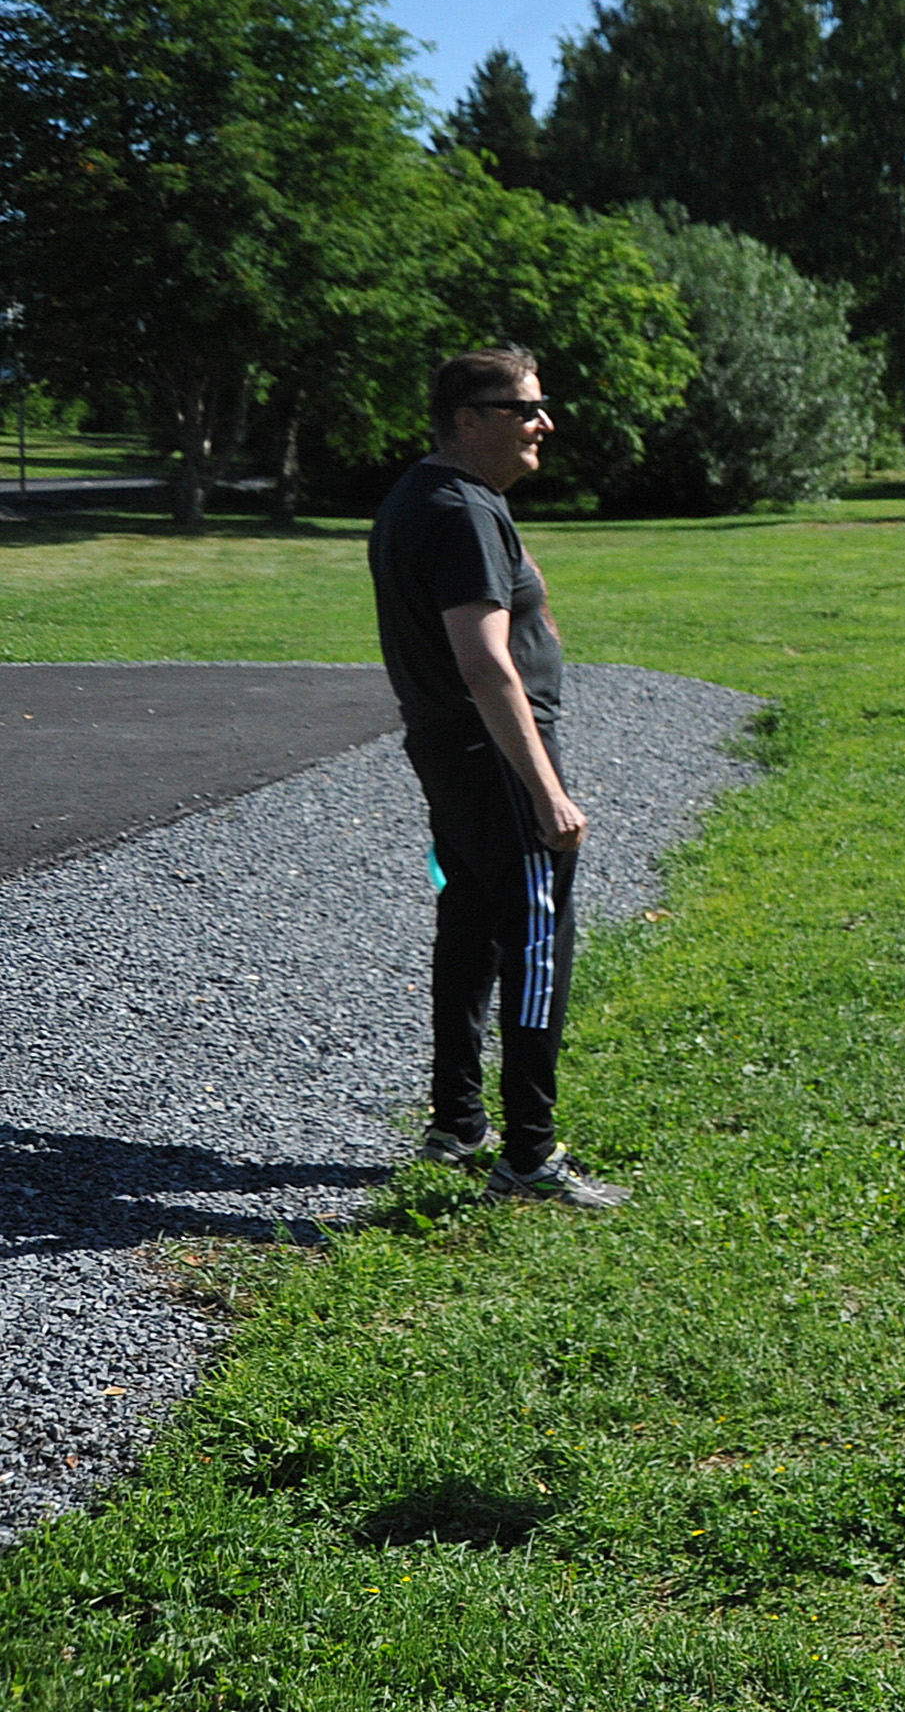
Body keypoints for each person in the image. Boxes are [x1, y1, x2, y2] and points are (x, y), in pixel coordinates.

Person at [367, 345, 627, 1208]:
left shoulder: (423, 495)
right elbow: (486, 666)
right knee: (537, 942)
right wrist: (546, 789)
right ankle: (529, 1157)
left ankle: (458, 1121)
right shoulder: (461, 511)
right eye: (527, 407)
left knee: (470, 924)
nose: (543, 422)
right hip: (495, 764)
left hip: (452, 758)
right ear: (468, 418)